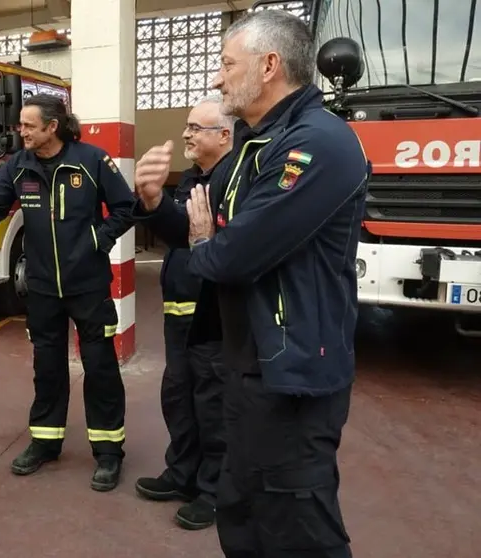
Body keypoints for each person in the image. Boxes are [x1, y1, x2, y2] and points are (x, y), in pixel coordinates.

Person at [132, 10, 368, 557]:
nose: (216, 77)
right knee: (241, 511)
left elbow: (232, 253)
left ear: (268, 66)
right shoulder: (252, 151)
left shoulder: (318, 145)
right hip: (244, 367)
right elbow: (205, 232)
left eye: (225, 64)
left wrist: (208, 241)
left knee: (296, 524)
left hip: (292, 375)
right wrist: (153, 205)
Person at [0, 93, 135, 491]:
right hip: (43, 288)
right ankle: (46, 441)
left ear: (53, 127)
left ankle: (108, 452)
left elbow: (125, 208)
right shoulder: (17, 167)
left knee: (99, 367)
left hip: (88, 286)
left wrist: (97, 241)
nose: (21, 131)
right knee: (47, 366)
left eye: (29, 125)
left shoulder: (92, 161)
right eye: (21, 125)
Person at [134, 94, 234, 531]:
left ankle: (214, 492)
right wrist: (153, 199)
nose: (186, 134)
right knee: (179, 398)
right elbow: (179, 235)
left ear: (225, 135)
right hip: (179, 313)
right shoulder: (194, 177)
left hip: (214, 317)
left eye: (196, 128)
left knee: (214, 405)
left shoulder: (238, 180)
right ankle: (182, 474)